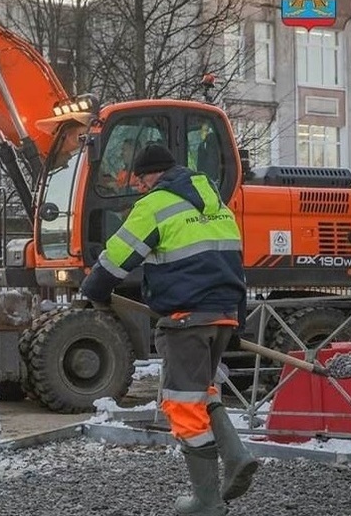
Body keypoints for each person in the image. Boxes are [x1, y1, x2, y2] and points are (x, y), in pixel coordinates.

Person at [80, 144, 258, 515]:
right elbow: (234, 262)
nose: (141, 188)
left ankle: (207, 501)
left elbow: (118, 256)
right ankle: (237, 455)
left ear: (151, 175)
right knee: (199, 392)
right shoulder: (215, 204)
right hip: (223, 312)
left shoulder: (156, 204)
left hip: (186, 320)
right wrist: (236, 321)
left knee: (182, 403)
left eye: (141, 181)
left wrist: (93, 290)